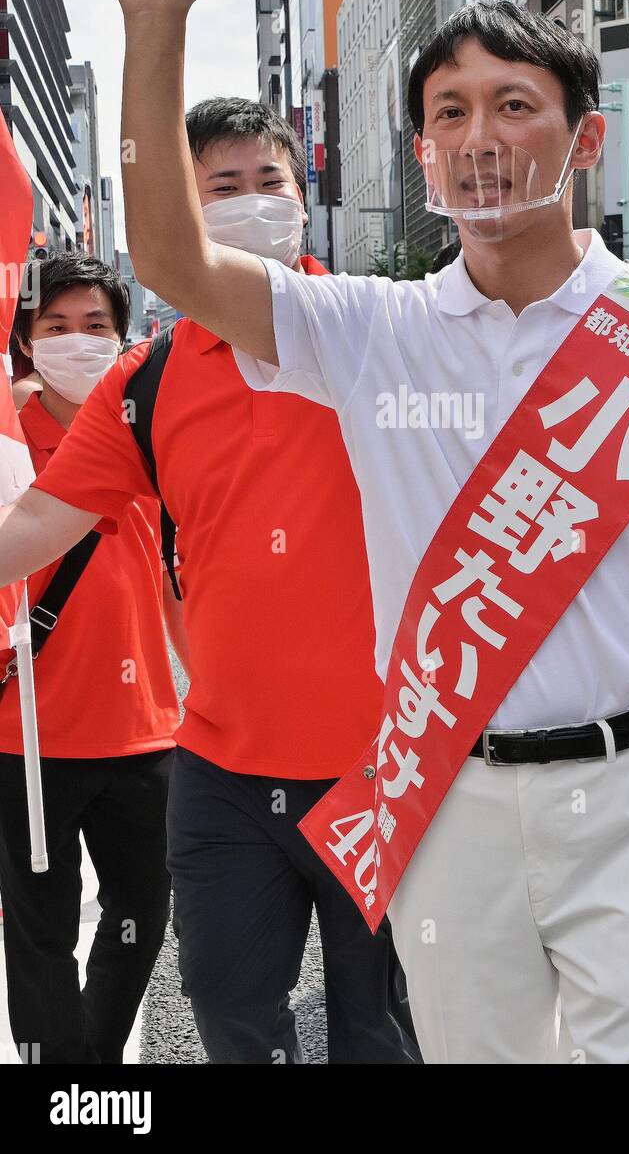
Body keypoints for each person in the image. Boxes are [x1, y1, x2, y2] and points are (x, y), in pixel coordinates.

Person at [89, 0, 629, 1064]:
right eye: (448, 113)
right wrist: (155, 25)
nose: (478, 137)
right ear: (422, 152)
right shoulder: (375, 329)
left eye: (513, 106)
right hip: (442, 793)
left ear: (582, 139)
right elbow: (169, 263)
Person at [0, 102, 419, 1067]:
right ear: (178, 215)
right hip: (224, 779)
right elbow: (30, 529)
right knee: (233, 1017)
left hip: (388, 770)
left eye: (267, 183)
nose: (247, 207)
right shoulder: (145, 382)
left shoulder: (383, 335)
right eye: (216, 190)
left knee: (383, 1029)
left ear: (304, 200)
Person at [0, 253, 182, 1064]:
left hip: (147, 727)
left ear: (125, 335)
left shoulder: (158, 424)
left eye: (96, 327)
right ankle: (63, 1086)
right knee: (38, 929)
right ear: (26, 343)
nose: (78, 343)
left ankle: (91, 1064)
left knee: (142, 911)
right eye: (56, 327)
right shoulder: (6, 442)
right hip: (26, 733)